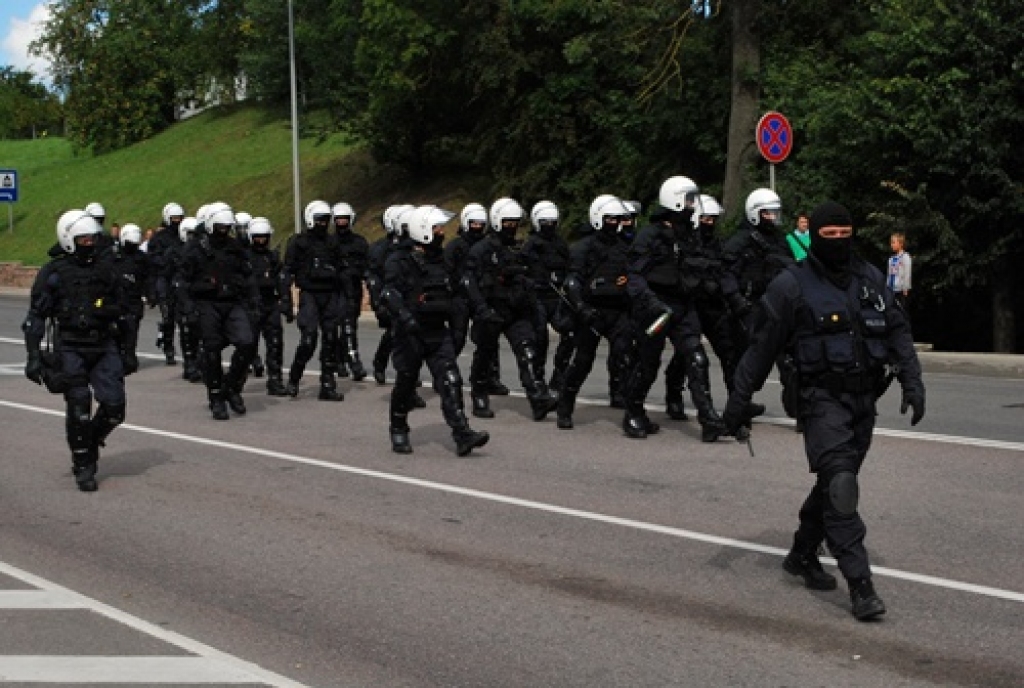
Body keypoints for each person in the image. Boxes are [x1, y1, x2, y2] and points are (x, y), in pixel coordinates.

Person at [722, 201, 926, 621]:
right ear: (814, 237)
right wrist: (738, 402)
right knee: (841, 485)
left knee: (833, 482)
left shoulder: (869, 278)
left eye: (844, 234)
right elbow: (760, 349)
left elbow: (898, 331)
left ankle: (801, 553)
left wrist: (913, 381)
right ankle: (861, 585)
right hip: (820, 400)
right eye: (829, 235)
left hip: (864, 401)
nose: (838, 242)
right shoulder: (790, 286)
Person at [23, 210, 128, 492]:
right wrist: (33, 356)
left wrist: (128, 350)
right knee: (79, 404)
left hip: (104, 345)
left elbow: (124, 310)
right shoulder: (54, 273)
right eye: (83, 239)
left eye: (93, 238)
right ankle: (83, 463)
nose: (90, 243)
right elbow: (36, 317)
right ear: (69, 240)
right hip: (70, 346)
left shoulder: (107, 270)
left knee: (115, 407)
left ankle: (89, 440)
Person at [623, 177, 727, 441]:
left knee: (697, 358)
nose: (693, 205)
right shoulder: (650, 235)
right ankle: (633, 412)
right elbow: (634, 275)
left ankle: (708, 419)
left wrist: (709, 281)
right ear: (676, 200)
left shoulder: (690, 234)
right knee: (647, 364)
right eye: (689, 199)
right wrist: (650, 302)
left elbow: (698, 264)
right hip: (655, 308)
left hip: (683, 306)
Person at [382, 205, 490, 455]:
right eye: (437, 228)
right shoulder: (400, 260)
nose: (442, 232)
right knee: (406, 382)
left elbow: (455, 290)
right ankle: (398, 428)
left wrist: (461, 320)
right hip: (410, 334)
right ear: (423, 230)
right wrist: (405, 317)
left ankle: (462, 433)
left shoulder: (442, 260)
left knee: (451, 380)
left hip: (438, 332)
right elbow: (389, 294)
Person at [462, 197, 558, 421]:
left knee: (528, 352)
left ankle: (538, 398)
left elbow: (530, 276)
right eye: (508, 222)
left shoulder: (520, 249)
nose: (512, 227)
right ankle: (479, 395)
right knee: (484, 355)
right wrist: (481, 309)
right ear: (497, 222)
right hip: (491, 310)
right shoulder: (481, 250)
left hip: (516, 310)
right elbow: (469, 282)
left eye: (515, 223)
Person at [555, 195, 638, 430]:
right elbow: (572, 281)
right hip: (591, 311)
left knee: (627, 358)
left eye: (618, 219)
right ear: (598, 219)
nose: (615, 223)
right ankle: (564, 406)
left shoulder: (625, 247)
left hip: (618, 310)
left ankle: (634, 413)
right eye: (610, 219)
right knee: (583, 361)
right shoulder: (583, 248)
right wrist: (581, 307)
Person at [177, 205, 258, 420]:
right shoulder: (195, 249)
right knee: (212, 350)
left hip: (233, 302)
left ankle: (231, 387)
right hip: (207, 303)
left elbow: (248, 275)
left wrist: (254, 300)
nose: (224, 230)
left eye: (227, 227)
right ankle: (215, 397)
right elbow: (182, 281)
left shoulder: (235, 247)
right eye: (221, 226)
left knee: (247, 343)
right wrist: (189, 308)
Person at [280, 200, 351, 400]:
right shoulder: (298, 242)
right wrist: (286, 301)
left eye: (326, 220)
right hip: (309, 294)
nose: (323, 224)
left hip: (330, 294)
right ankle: (294, 379)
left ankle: (327, 385)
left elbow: (343, 271)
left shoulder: (333, 243)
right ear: (310, 220)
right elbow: (287, 272)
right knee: (308, 340)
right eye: (320, 220)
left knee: (330, 340)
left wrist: (347, 299)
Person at [519, 200, 575, 393]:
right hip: (538, 297)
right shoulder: (530, 246)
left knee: (570, 332)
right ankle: (538, 377)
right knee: (540, 337)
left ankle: (559, 375)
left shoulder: (560, 244)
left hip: (557, 297)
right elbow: (521, 271)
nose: (549, 226)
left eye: (552, 222)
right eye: (545, 222)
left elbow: (570, 267)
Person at [245, 217, 289, 396]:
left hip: (270, 303)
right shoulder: (244, 258)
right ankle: (237, 381)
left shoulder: (272, 257)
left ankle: (275, 380)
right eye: (257, 237)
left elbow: (281, 280)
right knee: (248, 344)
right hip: (251, 305)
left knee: (275, 343)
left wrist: (286, 301)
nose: (261, 241)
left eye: (264, 237)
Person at [331, 201, 370, 381]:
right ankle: (353, 361)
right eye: (338, 219)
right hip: (335, 289)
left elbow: (367, 265)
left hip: (353, 288)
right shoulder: (330, 243)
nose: (341, 223)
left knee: (350, 324)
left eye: (344, 219)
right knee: (342, 326)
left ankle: (341, 359)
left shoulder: (359, 242)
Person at [146, 202, 186, 365]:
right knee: (168, 317)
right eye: (174, 218)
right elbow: (152, 260)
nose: (177, 221)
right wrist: (166, 259)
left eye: (179, 218)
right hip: (165, 279)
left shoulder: (184, 235)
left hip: (181, 278)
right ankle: (168, 347)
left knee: (184, 318)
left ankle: (189, 352)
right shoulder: (158, 238)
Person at [111, 223, 150, 376]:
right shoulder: (113, 256)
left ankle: (129, 357)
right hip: (116, 298)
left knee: (131, 330)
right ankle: (117, 356)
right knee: (116, 330)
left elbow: (148, 277)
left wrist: (150, 293)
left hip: (133, 299)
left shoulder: (141, 258)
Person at [887, 232, 911, 311]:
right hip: (890, 289)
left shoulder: (905, 257)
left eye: (893, 242)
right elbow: (889, 274)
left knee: (901, 310)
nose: (892, 245)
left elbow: (907, 273)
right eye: (891, 243)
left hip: (900, 290)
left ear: (901, 244)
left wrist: (905, 288)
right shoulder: (891, 259)